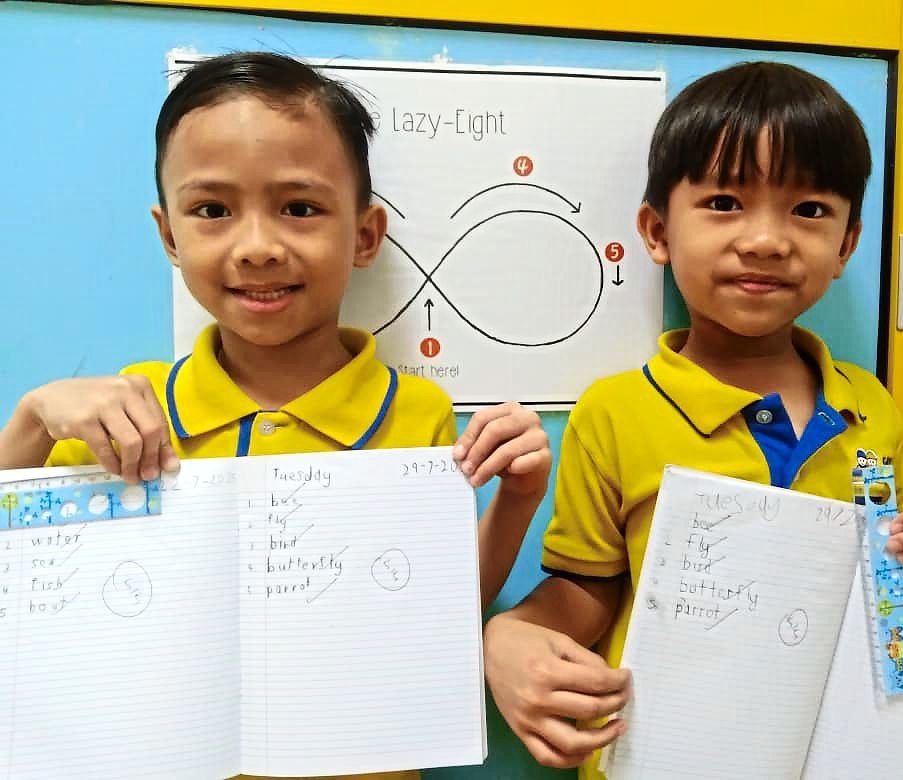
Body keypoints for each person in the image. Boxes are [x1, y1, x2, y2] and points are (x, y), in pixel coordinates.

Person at [0, 51, 552, 779]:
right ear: (170, 235)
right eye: (212, 211)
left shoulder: (416, 414)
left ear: (364, 234)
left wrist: (516, 500)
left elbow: (430, 617)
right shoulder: (127, 413)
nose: (257, 247)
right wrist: (35, 420)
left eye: (299, 208)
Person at [481, 61, 903, 777]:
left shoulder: (869, 404)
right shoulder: (615, 412)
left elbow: (896, 576)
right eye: (726, 202)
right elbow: (589, 590)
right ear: (657, 230)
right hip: (664, 753)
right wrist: (510, 638)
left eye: (809, 211)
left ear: (847, 246)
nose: (766, 239)